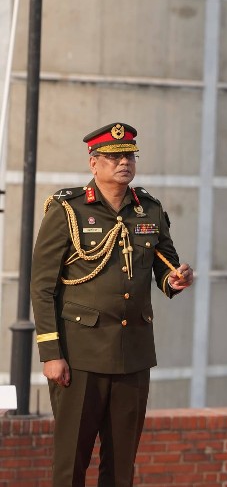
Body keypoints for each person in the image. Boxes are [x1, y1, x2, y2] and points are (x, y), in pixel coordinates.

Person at [30, 122, 195, 487]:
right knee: (71, 462)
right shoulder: (68, 210)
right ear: (94, 163)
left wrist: (176, 280)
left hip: (133, 354)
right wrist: (51, 354)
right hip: (80, 355)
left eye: (129, 156)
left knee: (122, 466)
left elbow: (165, 269)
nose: (124, 162)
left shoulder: (148, 209)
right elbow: (42, 287)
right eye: (115, 157)